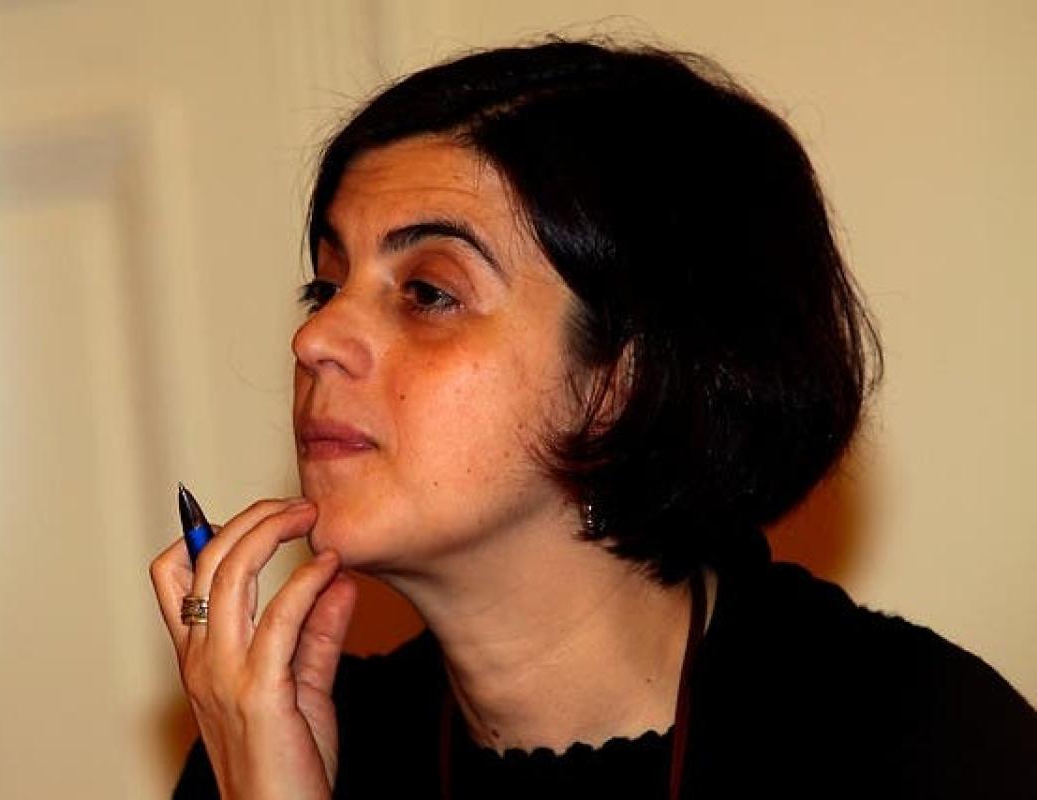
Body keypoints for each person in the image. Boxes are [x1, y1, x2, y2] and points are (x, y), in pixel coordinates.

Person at [150, 39, 1036, 799]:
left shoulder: (919, 742)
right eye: (326, 287)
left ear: (624, 380)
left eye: (427, 293)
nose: (313, 339)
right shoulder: (278, 739)